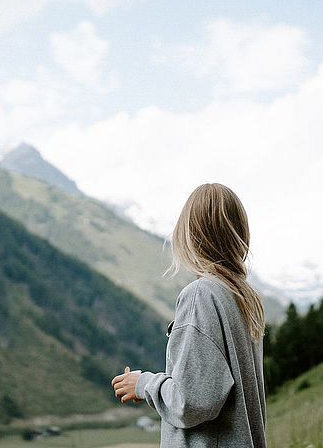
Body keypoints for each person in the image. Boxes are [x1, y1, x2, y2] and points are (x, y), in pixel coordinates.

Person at [111, 183, 267, 447]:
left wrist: (144, 384)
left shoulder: (201, 295)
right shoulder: (244, 298)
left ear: (190, 236)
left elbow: (193, 401)